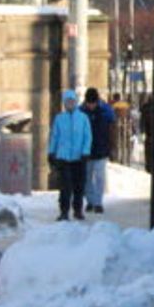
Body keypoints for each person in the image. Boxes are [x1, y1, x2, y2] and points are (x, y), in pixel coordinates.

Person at [47, 89, 92, 221]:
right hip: (64, 158)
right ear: (64, 103)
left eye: (72, 101)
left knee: (79, 185)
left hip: (79, 158)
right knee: (65, 186)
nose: (70, 104)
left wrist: (85, 152)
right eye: (67, 101)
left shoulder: (83, 118)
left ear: (76, 102)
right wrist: (51, 152)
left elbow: (87, 136)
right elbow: (54, 136)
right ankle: (64, 211)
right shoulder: (59, 119)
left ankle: (78, 210)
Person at [79, 87, 115, 214]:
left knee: (100, 177)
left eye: (93, 103)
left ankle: (98, 202)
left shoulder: (106, 110)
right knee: (87, 178)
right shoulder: (81, 111)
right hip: (86, 151)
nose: (91, 106)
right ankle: (90, 201)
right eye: (89, 103)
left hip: (101, 149)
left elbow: (112, 129)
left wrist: (111, 147)